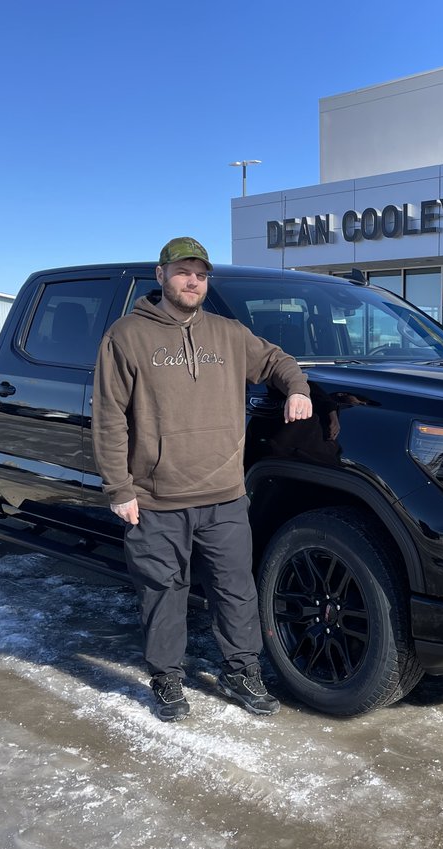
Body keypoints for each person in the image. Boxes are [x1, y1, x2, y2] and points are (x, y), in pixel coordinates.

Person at [92, 237, 313, 721]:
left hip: (225, 496)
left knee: (235, 590)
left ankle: (240, 671)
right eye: (183, 272)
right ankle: (167, 678)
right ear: (161, 276)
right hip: (156, 498)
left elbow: (277, 361)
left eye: (201, 274)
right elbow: (109, 417)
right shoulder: (127, 335)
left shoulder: (229, 333)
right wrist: (120, 489)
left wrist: (297, 389)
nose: (193, 281)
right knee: (162, 592)